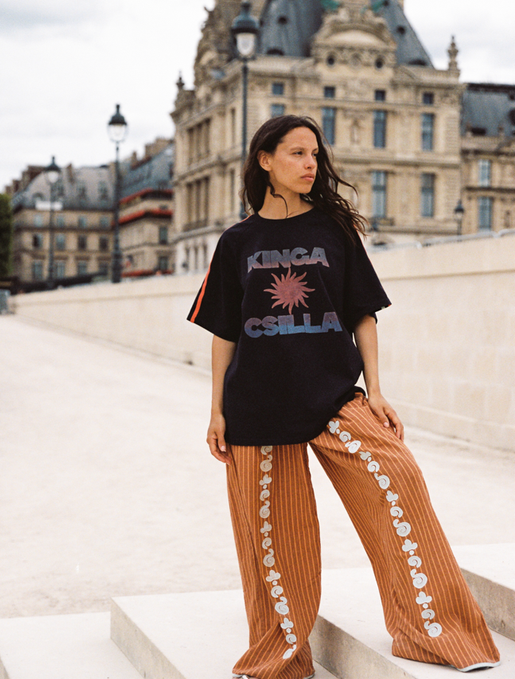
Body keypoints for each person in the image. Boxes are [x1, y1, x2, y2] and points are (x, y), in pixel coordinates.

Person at [188, 115, 500, 678]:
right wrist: (215, 409)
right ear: (265, 160)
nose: (311, 164)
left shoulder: (334, 231)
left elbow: (363, 313)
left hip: (334, 395)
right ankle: (283, 656)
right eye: (297, 153)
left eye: (315, 154)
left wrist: (376, 391)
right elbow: (224, 334)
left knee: (397, 479)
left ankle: (433, 631)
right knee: (274, 540)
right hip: (257, 406)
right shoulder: (237, 243)